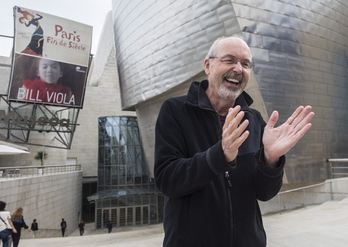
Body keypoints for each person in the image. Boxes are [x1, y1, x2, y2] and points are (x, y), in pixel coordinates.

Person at [154, 35, 315, 247]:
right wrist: (219, 155)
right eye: (230, 60)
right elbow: (167, 180)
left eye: (245, 64)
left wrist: (270, 159)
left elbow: (264, 193)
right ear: (208, 65)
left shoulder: (254, 120)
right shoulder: (175, 111)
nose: (238, 69)